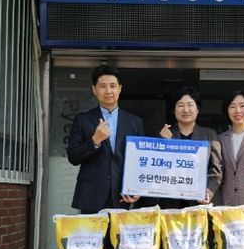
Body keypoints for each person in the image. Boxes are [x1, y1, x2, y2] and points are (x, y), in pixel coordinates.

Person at [67, 65, 144, 214]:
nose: (108, 91)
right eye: (103, 86)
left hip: (122, 194)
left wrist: (137, 188)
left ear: (120, 89)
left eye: (113, 86)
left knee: (119, 231)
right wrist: (95, 141)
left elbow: (139, 161)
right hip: (91, 194)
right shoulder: (83, 120)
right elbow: (73, 157)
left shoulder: (135, 122)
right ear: (94, 90)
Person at [157, 86, 222, 208]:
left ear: (197, 109)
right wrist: (164, 143)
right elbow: (157, 169)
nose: (185, 110)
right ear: (174, 110)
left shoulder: (210, 135)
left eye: (190, 105)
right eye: (180, 105)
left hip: (200, 202)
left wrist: (209, 191)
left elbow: (216, 169)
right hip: (170, 204)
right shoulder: (165, 135)